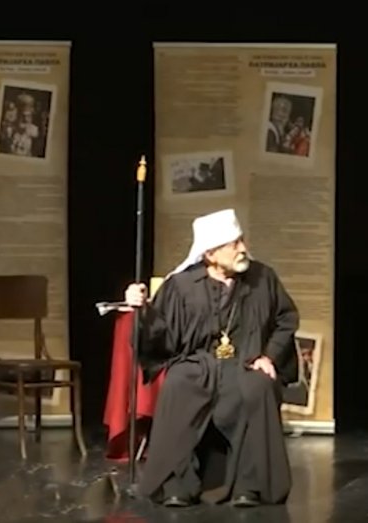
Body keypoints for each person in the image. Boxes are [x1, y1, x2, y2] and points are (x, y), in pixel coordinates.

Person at [123, 208, 299, 508]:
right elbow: (159, 337)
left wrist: (269, 356)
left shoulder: (263, 278)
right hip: (197, 362)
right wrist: (141, 312)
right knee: (179, 383)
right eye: (234, 244)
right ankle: (177, 485)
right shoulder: (181, 285)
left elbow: (286, 319)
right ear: (210, 254)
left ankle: (250, 486)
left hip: (245, 362)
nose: (242, 248)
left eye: (241, 240)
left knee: (257, 387)